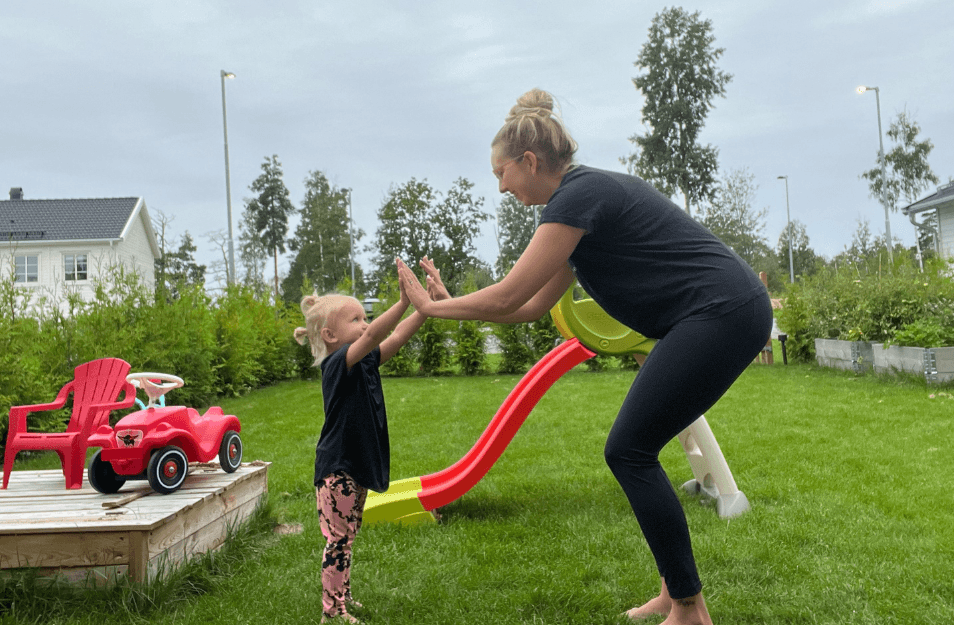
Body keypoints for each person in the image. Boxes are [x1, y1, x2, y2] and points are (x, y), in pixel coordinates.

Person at [396, 89, 771, 625]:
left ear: (530, 161)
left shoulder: (577, 195)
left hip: (722, 311)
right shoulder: (577, 209)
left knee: (628, 450)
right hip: (714, 313)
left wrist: (435, 309)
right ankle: (674, 591)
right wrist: (447, 302)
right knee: (633, 450)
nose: (500, 186)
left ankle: (691, 610)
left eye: (502, 172)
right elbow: (526, 308)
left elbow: (505, 296)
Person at [294, 259, 449, 624]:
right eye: (356, 319)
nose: (364, 325)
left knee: (346, 538)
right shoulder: (337, 364)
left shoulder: (362, 362)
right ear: (330, 335)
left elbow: (393, 337)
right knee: (338, 541)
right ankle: (332, 610)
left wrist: (424, 308)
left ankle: (342, 596)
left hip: (355, 464)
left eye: (365, 317)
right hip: (338, 467)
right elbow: (374, 336)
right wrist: (402, 303)